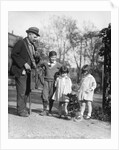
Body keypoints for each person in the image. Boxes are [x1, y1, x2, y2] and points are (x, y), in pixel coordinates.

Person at [11, 27, 40, 117]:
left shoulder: (33, 46)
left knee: (27, 91)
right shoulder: (21, 43)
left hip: (28, 72)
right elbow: (14, 54)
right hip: (20, 71)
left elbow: (34, 61)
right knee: (22, 91)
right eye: (35, 37)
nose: (36, 39)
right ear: (29, 34)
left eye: (36, 37)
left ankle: (23, 108)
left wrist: (37, 57)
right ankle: (20, 110)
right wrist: (24, 63)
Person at [40, 51, 62, 116]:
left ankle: (49, 110)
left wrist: (60, 78)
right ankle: (44, 110)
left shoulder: (58, 65)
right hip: (46, 82)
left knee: (51, 97)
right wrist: (42, 79)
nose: (53, 59)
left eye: (55, 57)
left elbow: (64, 70)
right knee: (44, 95)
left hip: (53, 83)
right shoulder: (45, 64)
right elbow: (39, 68)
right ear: (49, 57)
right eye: (52, 57)